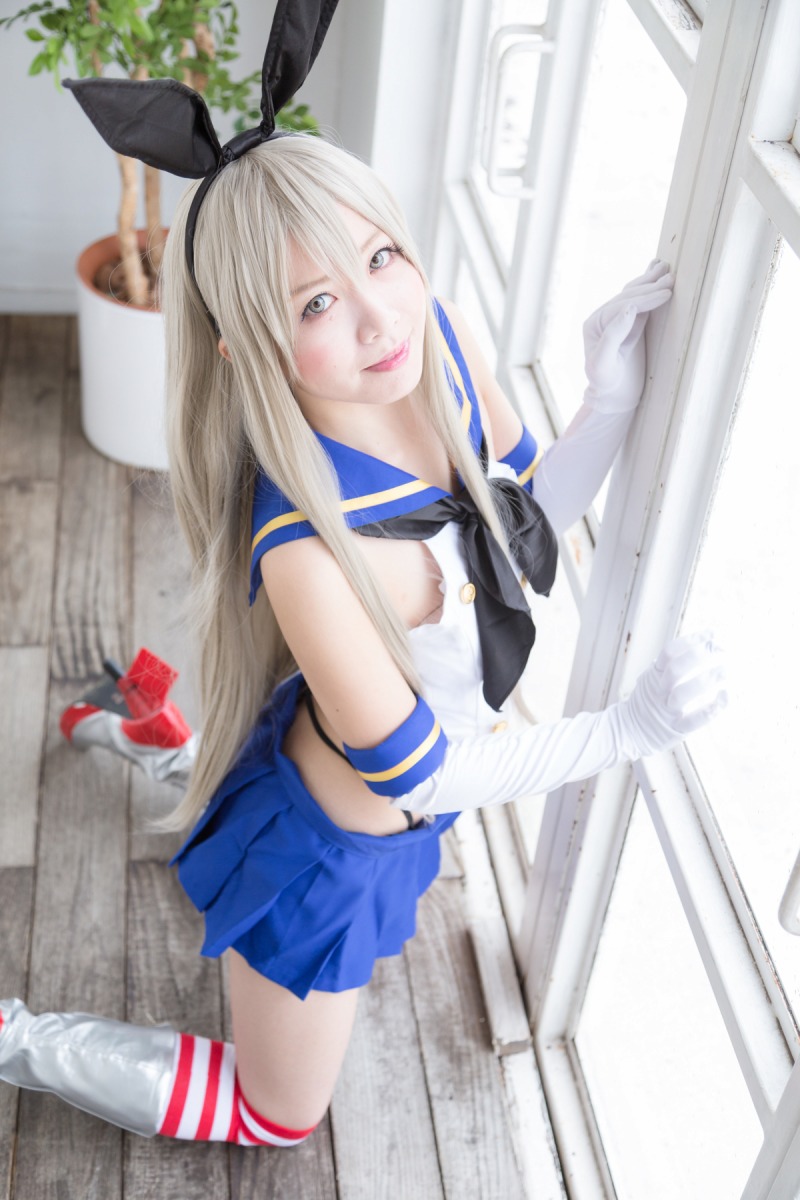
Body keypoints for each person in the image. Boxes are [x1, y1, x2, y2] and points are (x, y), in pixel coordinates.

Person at [0, 57, 726, 1153]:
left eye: (380, 256)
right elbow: (425, 775)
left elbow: (515, 528)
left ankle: (155, 741)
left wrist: (608, 404)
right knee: (279, 1114)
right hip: (330, 849)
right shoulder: (303, 550)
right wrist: (621, 733)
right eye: (317, 302)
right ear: (247, 344)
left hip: (378, 782)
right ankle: (17, 1036)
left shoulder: (438, 341)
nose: (380, 316)